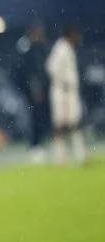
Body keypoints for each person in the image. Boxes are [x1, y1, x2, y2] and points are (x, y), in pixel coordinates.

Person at [45, 25, 85, 165]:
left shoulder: (67, 48)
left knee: (73, 122)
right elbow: (51, 67)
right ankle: (61, 156)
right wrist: (63, 82)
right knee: (61, 124)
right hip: (62, 92)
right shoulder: (60, 48)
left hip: (68, 91)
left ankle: (79, 155)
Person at [13, 25, 51, 159]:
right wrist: (34, 87)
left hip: (37, 88)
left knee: (40, 116)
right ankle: (34, 145)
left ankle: (38, 143)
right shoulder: (26, 46)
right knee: (34, 117)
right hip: (30, 89)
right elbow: (28, 70)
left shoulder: (38, 47)